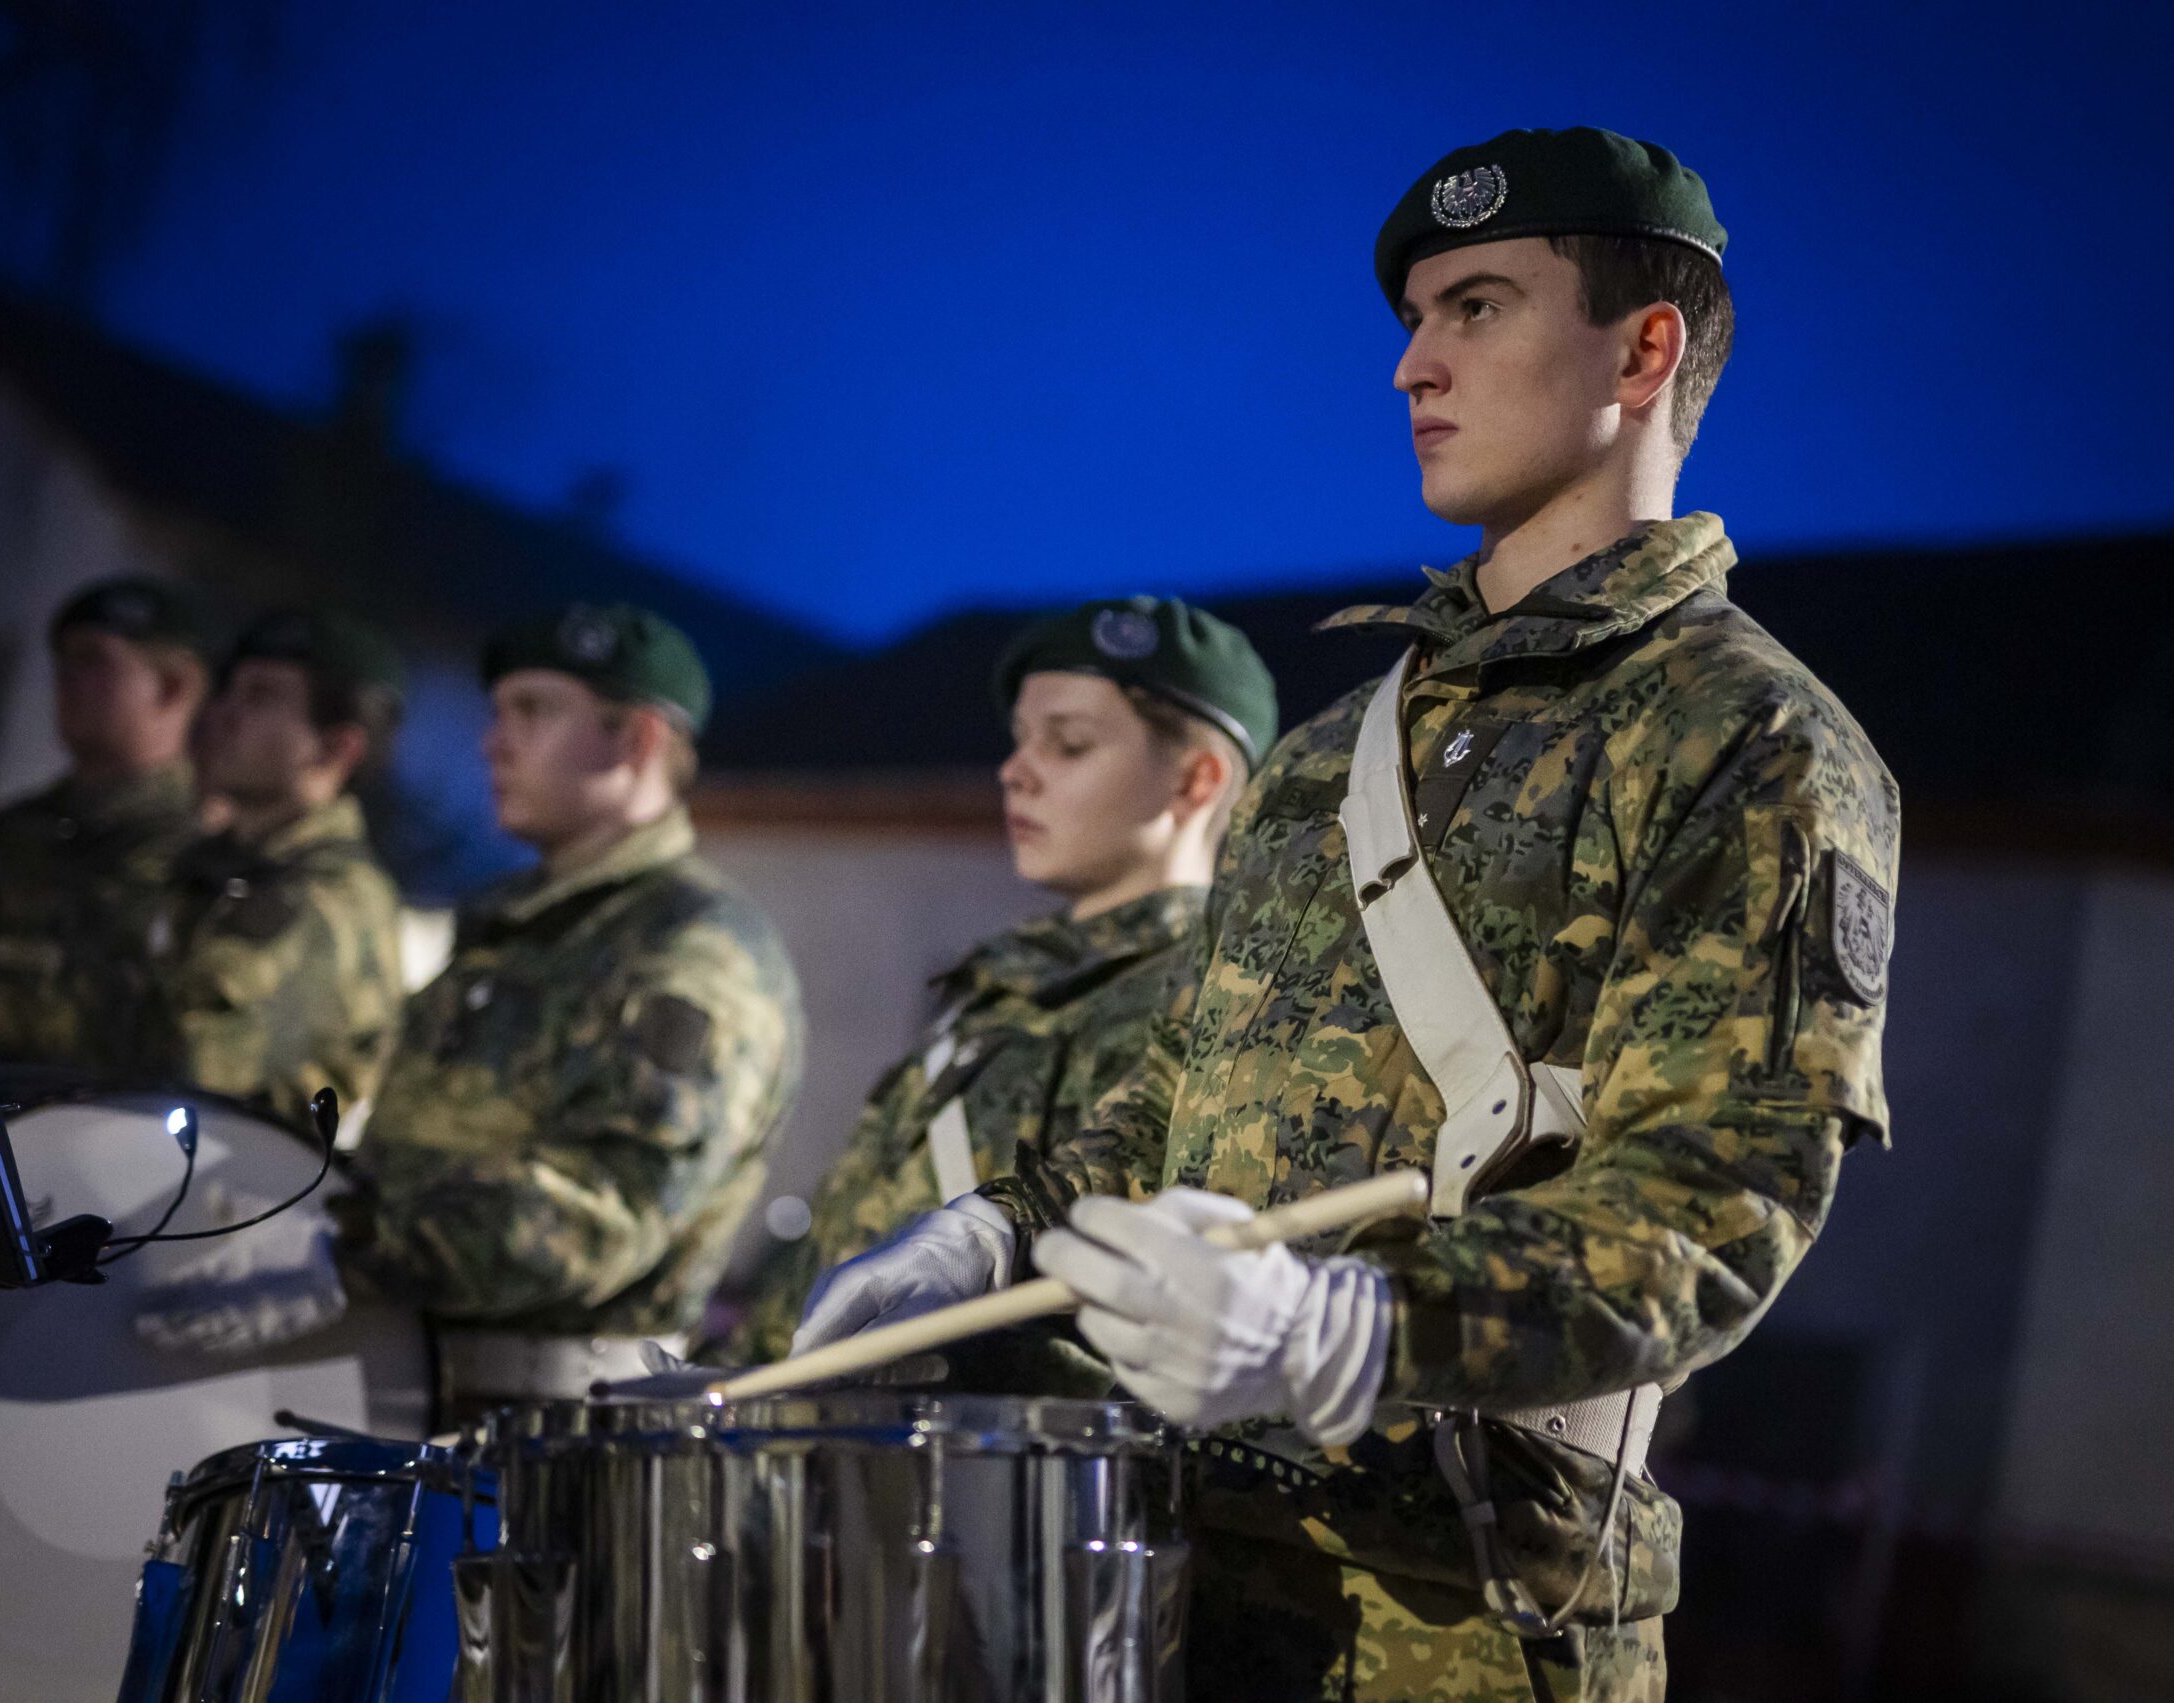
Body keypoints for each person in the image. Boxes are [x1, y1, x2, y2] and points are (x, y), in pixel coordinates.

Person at [801, 127, 1900, 1701]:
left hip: (1470, 1620)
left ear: (1643, 349)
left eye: (1477, 307)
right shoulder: (1329, 755)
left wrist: (1358, 1323)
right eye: (1413, 319)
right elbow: (1174, 1100)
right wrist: (998, 1228)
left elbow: (1720, 1196)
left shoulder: (1752, 739)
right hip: (1179, 1579)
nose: (1410, 365)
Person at [135, 603, 804, 1418]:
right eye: (499, 712)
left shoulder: (694, 947)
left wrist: (344, 1251)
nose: (494, 741)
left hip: (555, 1433)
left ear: (634, 741)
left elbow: (607, 1205)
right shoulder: (515, 923)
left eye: (534, 711)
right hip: (417, 1395)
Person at [727, 597, 1276, 1371]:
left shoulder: (1216, 1004)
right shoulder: (1000, 988)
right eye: (1020, 740)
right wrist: (742, 1365)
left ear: (1196, 780)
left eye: (1070, 744)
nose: (1015, 771)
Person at [0, 575, 212, 1074]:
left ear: (172, 687)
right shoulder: (3, 834)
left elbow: (169, 1038)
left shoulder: (204, 854)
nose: (68, 681)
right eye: (63, 662)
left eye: (94, 661)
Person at [136, 607, 407, 1131]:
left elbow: (199, 1074)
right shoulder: (212, 865)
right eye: (229, 692)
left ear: (335, 747)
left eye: (260, 697)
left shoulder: (331, 897)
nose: (222, 714)